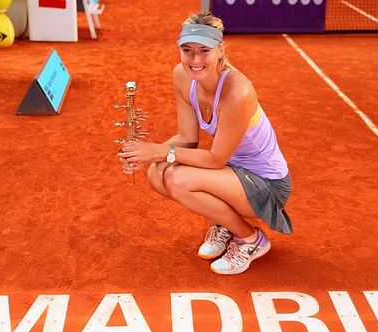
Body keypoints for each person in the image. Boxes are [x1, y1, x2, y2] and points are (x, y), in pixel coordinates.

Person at [118, 11, 293, 275]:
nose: (195, 60)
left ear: (220, 50)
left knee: (177, 178)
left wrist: (158, 151)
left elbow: (214, 159)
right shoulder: (182, 76)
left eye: (204, 51)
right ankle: (226, 223)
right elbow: (187, 139)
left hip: (266, 184)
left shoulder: (238, 92)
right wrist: (142, 155)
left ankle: (250, 240)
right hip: (231, 173)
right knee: (157, 172)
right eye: (187, 50)